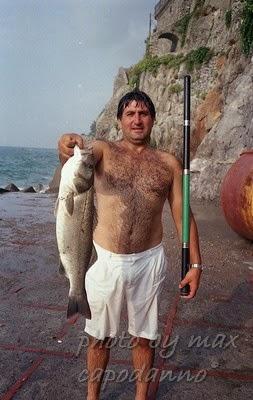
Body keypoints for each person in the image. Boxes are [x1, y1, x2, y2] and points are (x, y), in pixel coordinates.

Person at [58, 90, 202, 400]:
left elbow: (183, 214)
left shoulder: (168, 163)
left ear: (153, 119)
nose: (137, 119)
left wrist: (195, 265)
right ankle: (92, 397)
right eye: (130, 113)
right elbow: (78, 161)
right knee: (99, 338)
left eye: (143, 113)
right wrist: (66, 146)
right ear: (120, 120)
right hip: (103, 261)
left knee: (144, 338)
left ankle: (140, 397)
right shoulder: (102, 150)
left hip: (148, 261)